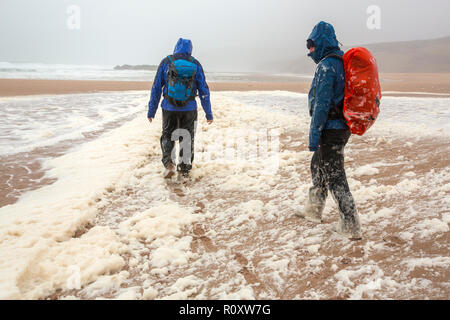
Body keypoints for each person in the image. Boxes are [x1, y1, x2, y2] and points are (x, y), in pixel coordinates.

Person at [296, 21, 362, 240]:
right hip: (342, 127)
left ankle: (351, 224)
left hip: (331, 128)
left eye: (312, 45)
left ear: (321, 43)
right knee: (318, 165)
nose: (310, 50)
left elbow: (322, 105)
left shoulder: (326, 66)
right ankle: (313, 210)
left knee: (335, 176)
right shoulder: (341, 62)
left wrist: (314, 136)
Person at [147, 38, 213, 179]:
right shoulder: (195, 64)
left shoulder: (167, 62)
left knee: (167, 136)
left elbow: (156, 88)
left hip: (169, 108)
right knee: (187, 138)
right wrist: (209, 113)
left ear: (176, 47)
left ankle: (169, 164)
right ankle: (184, 171)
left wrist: (151, 110)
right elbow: (204, 90)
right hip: (189, 109)